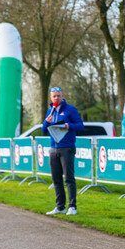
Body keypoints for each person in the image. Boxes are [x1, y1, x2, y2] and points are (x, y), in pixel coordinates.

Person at [42, 87, 84, 216]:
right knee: (56, 179)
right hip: (53, 148)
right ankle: (60, 207)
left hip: (67, 147)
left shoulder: (70, 110)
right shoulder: (50, 111)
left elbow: (81, 126)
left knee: (69, 178)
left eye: (58, 96)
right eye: (54, 96)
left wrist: (68, 125)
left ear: (62, 96)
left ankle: (72, 207)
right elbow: (44, 130)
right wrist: (45, 122)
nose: (56, 98)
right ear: (51, 97)